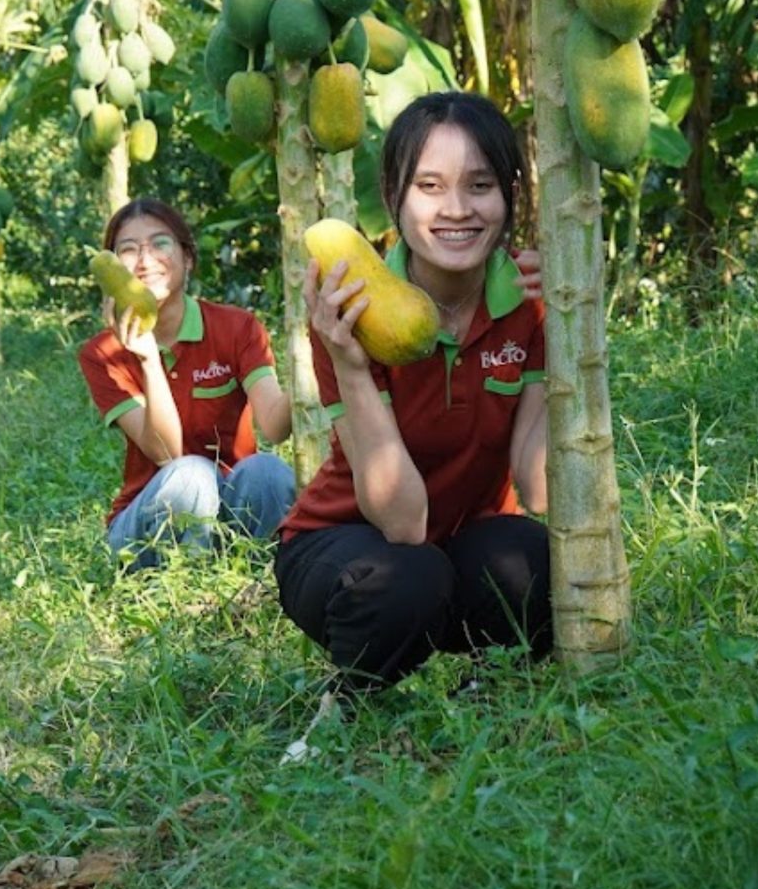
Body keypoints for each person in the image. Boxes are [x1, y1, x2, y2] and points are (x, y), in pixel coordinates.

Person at [275, 91, 552, 690]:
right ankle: (349, 702)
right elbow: (403, 523)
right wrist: (349, 365)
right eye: (430, 187)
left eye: (480, 186)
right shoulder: (352, 308)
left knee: (541, 561)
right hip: (350, 548)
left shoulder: (532, 307)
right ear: (394, 197)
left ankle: (488, 690)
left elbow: (541, 486)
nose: (457, 209)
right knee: (407, 577)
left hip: (468, 543)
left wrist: (568, 330)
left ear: (510, 195)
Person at [76, 198, 296, 570]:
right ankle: (190, 594)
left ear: (188, 258)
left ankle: (260, 580)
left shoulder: (237, 327)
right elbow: (166, 454)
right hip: (147, 528)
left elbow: (275, 426)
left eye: (160, 244)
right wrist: (147, 358)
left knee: (269, 471)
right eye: (128, 250)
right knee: (191, 474)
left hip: (234, 505)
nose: (145, 261)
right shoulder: (103, 352)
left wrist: (324, 358)